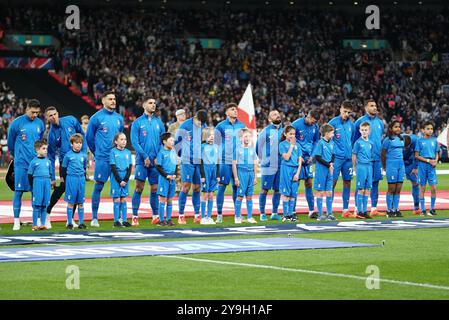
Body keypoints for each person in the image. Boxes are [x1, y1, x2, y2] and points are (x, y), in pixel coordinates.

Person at [86, 91, 124, 227]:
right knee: (99, 186)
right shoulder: (96, 118)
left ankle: (119, 218)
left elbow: (121, 137)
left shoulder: (119, 118)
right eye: (110, 99)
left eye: (114, 99)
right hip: (103, 158)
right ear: (103, 101)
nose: (113, 101)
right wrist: (97, 153)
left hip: (117, 158)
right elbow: (89, 138)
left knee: (120, 186)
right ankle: (94, 218)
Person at [7, 99, 45, 230]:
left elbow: (40, 142)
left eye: (37, 112)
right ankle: (16, 221)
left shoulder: (40, 123)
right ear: (27, 109)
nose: (35, 115)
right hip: (21, 164)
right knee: (18, 191)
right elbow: (11, 144)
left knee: (37, 192)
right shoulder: (16, 123)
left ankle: (38, 220)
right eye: (33, 112)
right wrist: (17, 157)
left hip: (36, 164)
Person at [45, 106, 86, 229]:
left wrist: (83, 154)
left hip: (78, 161)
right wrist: (52, 177)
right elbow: (51, 157)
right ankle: (47, 213)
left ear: (58, 113)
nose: (53, 117)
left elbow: (82, 135)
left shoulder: (71, 120)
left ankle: (71, 220)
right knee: (62, 188)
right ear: (47, 118)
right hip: (65, 164)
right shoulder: (51, 135)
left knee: (75, 191)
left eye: (54, 114)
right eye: (50, 115)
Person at [130, 97, 165, 226]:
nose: (153, 105)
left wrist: (158, 157)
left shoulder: (159, 123)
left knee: (155, 188)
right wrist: (144, 156)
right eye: (150, 103)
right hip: (141, 161)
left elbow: (163, 142)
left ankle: (155, 215)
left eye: (155, 103)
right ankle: (134, 216)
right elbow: (134, 142)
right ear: (144, 105)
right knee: (139, 187)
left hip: (155, 162)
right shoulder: (137, 123)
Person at [175, 109, 208, 224]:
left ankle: (197, 214)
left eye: (202, 123)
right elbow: (176, 142)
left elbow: (202, 140)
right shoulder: (184, 126)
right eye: (199, 122)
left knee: (197, 188)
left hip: (198, 160)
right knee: (186, 186)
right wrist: (183, 155)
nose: (200, 125)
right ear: (195, 117)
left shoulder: (203, 124)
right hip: (187, 160)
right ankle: (181, 215)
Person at [214, 103, 246, 223]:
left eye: (236, 109)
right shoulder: (220, 126)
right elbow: (216, 144)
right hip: (225, 161)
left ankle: (237, 214)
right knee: (222, 187)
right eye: (232, 109)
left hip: (238, 161)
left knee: (236, 186)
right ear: (227, 112)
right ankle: (219, 214)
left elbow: (245, 142)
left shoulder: (242, 125)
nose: (235, 111)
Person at [354, 100, 385, 217]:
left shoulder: (380, 122)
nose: (374, 107)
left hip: (376, 158)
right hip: (363, 161)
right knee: (361, 185)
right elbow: (355, 141)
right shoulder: (360, 122)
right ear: (366, 108)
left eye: (375, 105)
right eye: (372, 106)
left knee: (375, 183)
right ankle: (357, 208)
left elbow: (379, 139)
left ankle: (373, 208)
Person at [292, 109, 320, 219]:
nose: (314, 123)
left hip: (308, 159)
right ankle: (292, 211)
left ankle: (312, 211)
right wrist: (298, 155)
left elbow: (316, 141)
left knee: (309, 183)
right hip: (297, 159)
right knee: (295, 183)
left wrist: (312, 155)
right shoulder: (296, 124)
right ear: (308, 116)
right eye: (313, 121)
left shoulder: (315, 127)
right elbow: (291, 140)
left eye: (315, 122)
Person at [328, 100, 355, 218]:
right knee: (332, 183)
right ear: (340, 109)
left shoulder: (352, 125)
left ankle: (345, 210)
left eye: (349, 112)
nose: (346, 114)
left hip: (348, 159)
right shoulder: (333, 123)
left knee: (347, 182)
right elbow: (327, 140)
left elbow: (352, 140)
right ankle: (329, 210)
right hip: (336, 159)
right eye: (345, 111)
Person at [256, 110, 283, 221]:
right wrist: (265, 159)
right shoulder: (265, 131)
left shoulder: (284, 131)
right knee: (264, 189)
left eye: (278, 114)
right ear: (269, 119)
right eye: (274, 115)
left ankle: (274, 213)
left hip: (281, 164)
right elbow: (258, 147)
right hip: (268, 165)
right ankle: (262, 213)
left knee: (278, 190)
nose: (277, 115)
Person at [61, 133, 87, 229]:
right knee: (71, 202)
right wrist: (65, 179)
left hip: (81, 179)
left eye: (80, 143)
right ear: (72, 144)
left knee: (80, 202)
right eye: (76, 143)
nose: (79, 144)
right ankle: (69, 222)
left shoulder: (83, 155)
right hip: (71, 179)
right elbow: (63, 169)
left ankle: (81, 223)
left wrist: (83, 178)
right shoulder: (68, 155)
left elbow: (84, 167)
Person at [232, 128, 258, 224]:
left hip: (250, 174)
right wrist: (236, 177)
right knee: (239, 196)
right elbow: (234, 165)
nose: (247, 138)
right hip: (241, 174)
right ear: (241, 139)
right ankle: (237, 216)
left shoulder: (252, 150)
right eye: (245, 136)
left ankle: (249, 217)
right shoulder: (238, 150)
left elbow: (255, 164)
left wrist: (255, 177)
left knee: (249, 197)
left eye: (249, 136)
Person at [415, 121, 440, 216]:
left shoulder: (434, 140)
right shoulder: (420, 141)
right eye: (428, 129)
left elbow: (436, 153)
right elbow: (416, 155)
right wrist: (429, 161)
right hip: (422, 166)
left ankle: (432, 208)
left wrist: (436, 161)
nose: (430, 130)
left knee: (433, 187)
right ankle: (423, 209)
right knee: (422, 188)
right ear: (423, 130)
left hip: (431, 166)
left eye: (431, 129)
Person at [278, 126, 303, 222]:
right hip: (286, 169)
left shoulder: (298, 145)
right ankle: (285, 215)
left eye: (294, 134)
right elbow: (287, 157)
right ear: (285, 134)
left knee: (293, 194)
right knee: (286, 193)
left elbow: (300, 159)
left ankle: (291, 214)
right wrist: (291, 146)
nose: (293, 136)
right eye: (290, 134)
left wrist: (297, 173)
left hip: (295, 170)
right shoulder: (282, 145)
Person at [381, 120, 405, 218]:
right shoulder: (387, 140)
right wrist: (384, 166)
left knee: (398, 188)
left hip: (401, 165)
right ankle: (388, 210)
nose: (398, 128)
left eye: (399, 126)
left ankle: (395, 209)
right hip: (391, 165)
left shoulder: (401, 139)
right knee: (391, 188)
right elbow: (383, 154)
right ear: (391, 129)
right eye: (395, 127)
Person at [313, 123, 337, 221]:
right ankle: (320, 214)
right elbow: (317, 157)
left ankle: (329, 213)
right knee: (320, 192)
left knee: (329, 192)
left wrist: (331, 163)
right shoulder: (320, 143)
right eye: (332, 133)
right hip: (321, 170)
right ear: (326, 133)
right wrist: (328, 165)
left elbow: (333, 154)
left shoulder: (332, 143)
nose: (333, 135)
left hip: (329, 170)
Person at [155, 132, 178, 226]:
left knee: (170, 199)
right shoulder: (161, 153)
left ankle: (168, 219)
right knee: (162, 199)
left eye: (173, 140)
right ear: (164, 142)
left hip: (172, 179)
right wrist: (166, 175)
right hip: (164, 179)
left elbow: (175, 165)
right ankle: (161, 220)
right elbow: (158, 167)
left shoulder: (173, 152)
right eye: (171, 140)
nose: (173, 142)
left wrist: (175, 174)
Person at [27, 140, 51, 231]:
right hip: (37, 183)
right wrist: (32, 186)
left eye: (46, 149)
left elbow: (50, 173)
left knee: (44, 205)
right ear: (37, 150)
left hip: (46, 183)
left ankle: (43, 224)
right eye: (43, 148)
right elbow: (29, 175)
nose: (46, 150)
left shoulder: (48, 161)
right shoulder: (34, 162)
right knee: (37, 205)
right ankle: (35, 224)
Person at [110, 132, 132, 227]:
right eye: (121, 139)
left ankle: (124, 220)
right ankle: (116, 221)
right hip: (116, 177)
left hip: (125, 177)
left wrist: (125, 180)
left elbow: (130, 167)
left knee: (123, 199)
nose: (124, 141)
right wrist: (120, 180)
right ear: (116, 141)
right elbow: (113, 167)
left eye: (125, 139)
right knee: (117, 199)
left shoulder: (128, 152)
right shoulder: (113, 152)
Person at [352, 122, 373, 219]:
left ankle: (365, 211)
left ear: (369, 131)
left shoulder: (370, 142)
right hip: (361, 166)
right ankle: (359, 211)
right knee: (361, 189)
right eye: (362, 130)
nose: (364, 132)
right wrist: (355, 167)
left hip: (369, 166)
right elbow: (354, 155)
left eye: (366, 130)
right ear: (360, 131)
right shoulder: (358, 142)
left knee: (367, 189)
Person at [200, 127, 219, 225]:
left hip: (214, 170)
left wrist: (218, 174)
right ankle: (203, 217)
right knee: (205, 194)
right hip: (205, 170)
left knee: (211, 194)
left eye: (213, 135)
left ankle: (209, 216)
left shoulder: (216, 147)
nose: (211, 137)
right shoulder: (202, 146)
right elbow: (200, 161)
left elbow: (218, 161)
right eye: (209, 135)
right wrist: (202, 174)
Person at [168, 109, 186, 196]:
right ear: (177, 116)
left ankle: (182, 190)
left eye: (184, 114)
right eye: (182, 114)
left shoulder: (188, 125)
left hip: (186, 151)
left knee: (184, 171)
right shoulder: (172, 126)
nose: (184, 116)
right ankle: (176, 190)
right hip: (176, 151)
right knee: (176, 170)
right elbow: (169, 138)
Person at [403, 133, 421, 215]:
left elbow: (417, 154)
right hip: (400, 162)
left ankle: (416, 207)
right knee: (395, 184)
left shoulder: (415, 140)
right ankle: (392, 208)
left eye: (406, 147)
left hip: (411, 162)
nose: (405, 148)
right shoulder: (397, 141)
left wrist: (415, 167)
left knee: (415, 183)